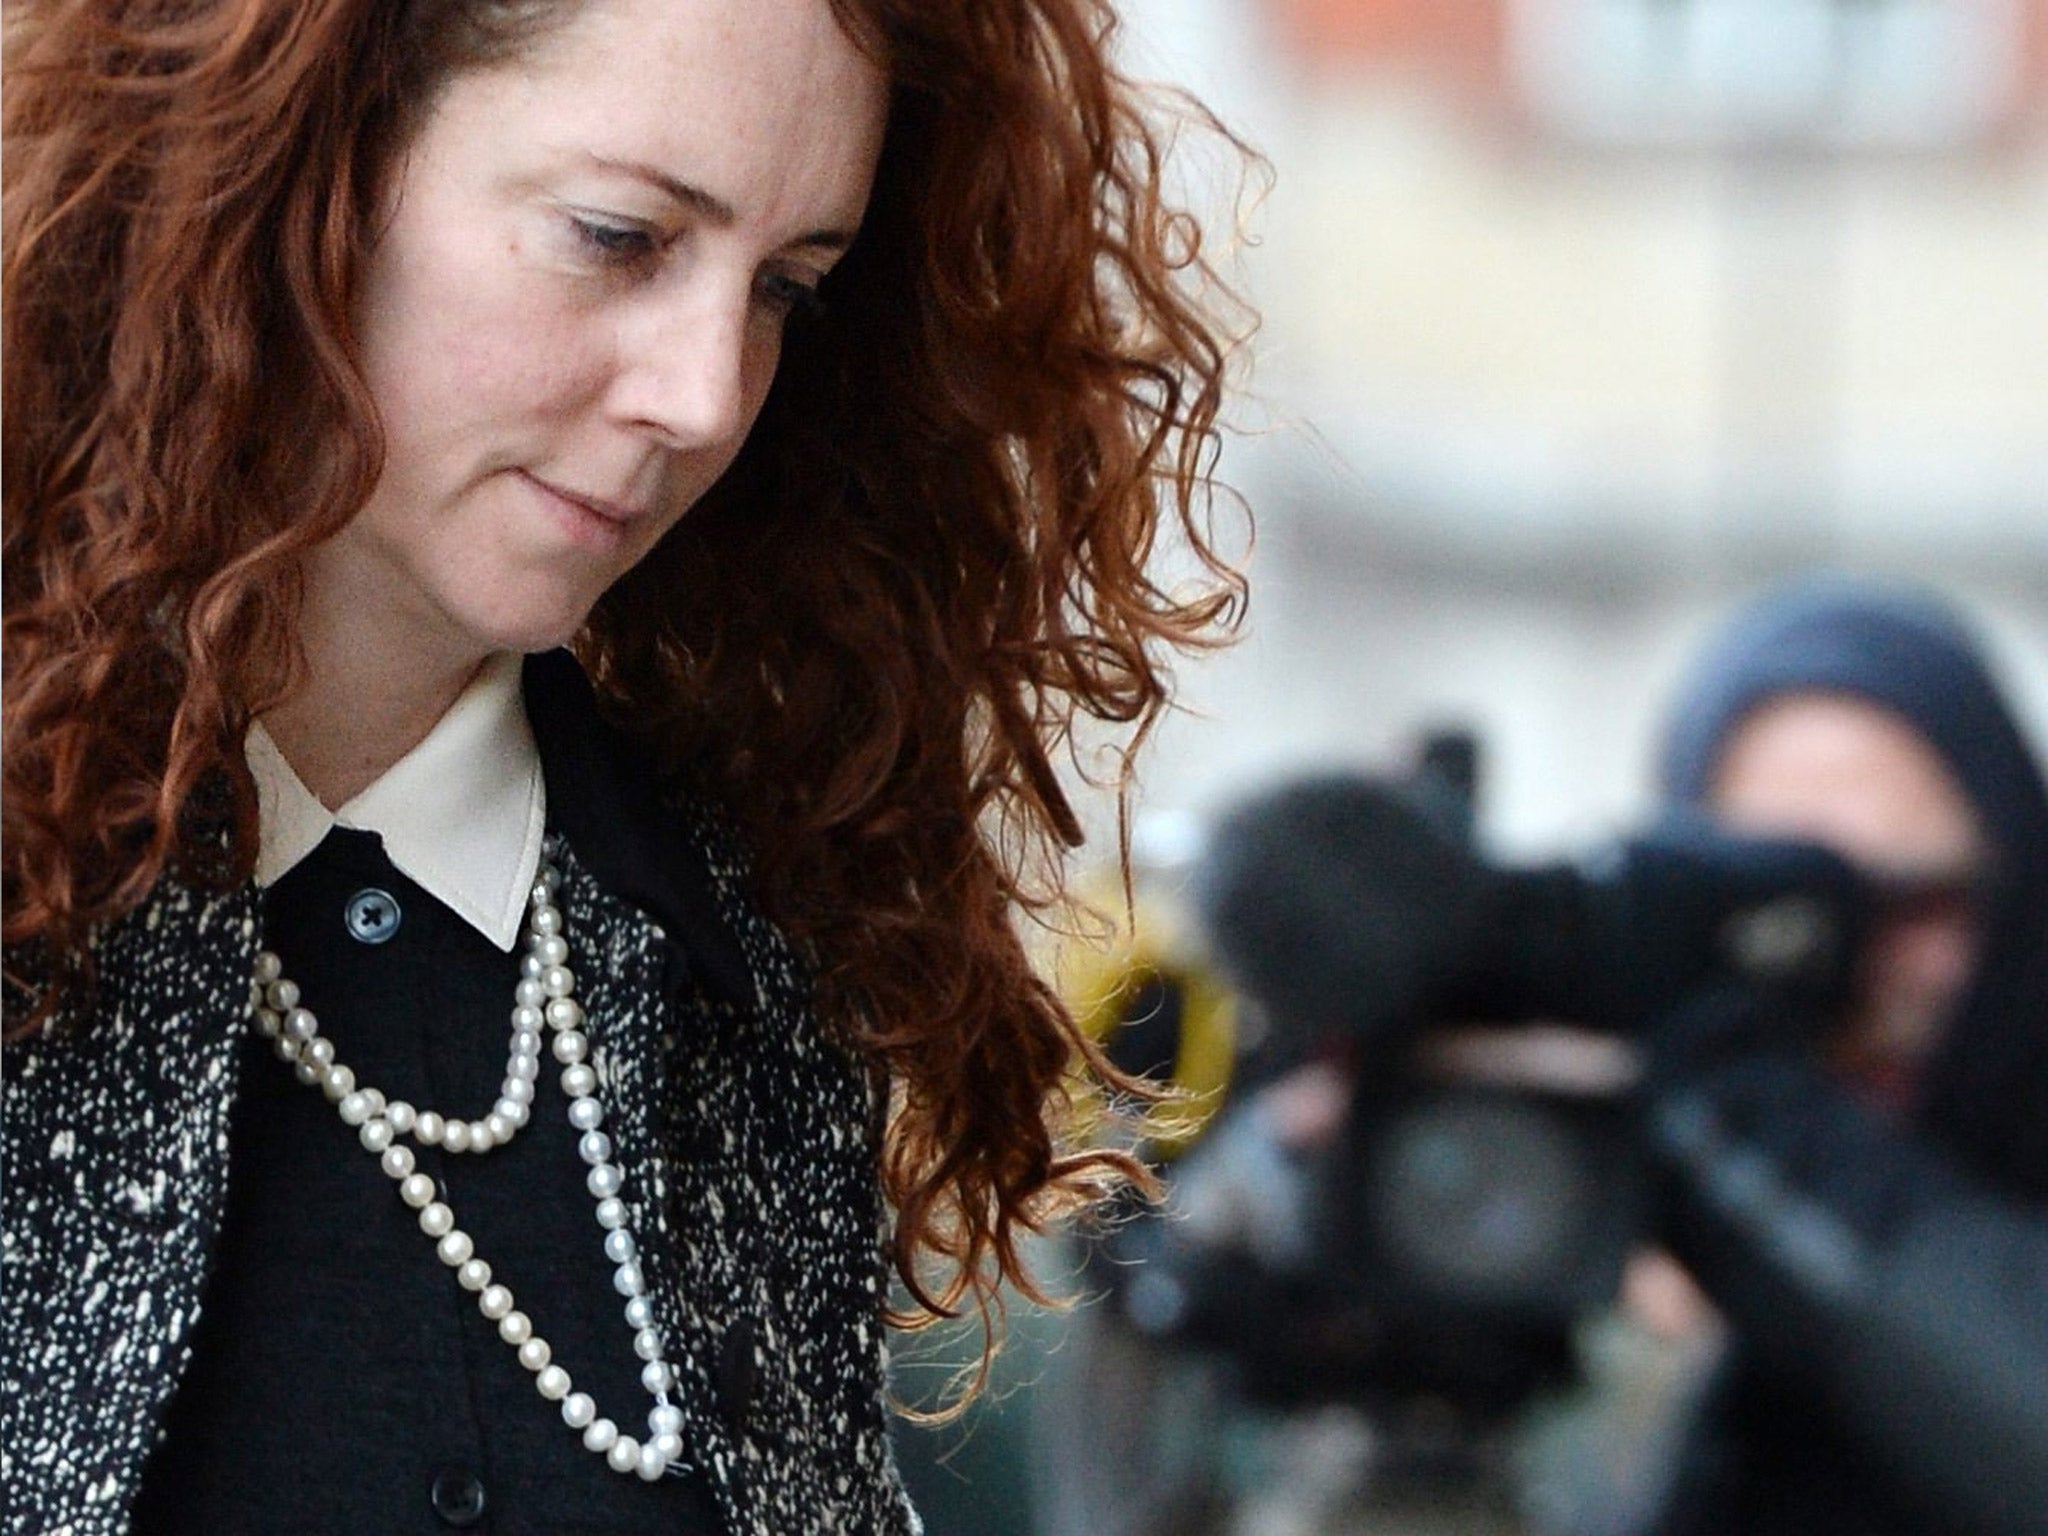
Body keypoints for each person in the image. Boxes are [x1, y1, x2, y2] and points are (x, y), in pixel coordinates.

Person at [0, 1, 1250, 1531]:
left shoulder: (766, 943)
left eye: (788, 288)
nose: (707, 393)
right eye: (618, 235)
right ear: (287, 166)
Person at [1630, 573, 2048, 1535]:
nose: (1854, 976)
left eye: (1915, 904)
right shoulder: (1624, 1159)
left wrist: (1754, 1161)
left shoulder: (1721, 1138)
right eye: (1775, 919)